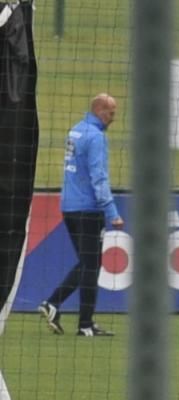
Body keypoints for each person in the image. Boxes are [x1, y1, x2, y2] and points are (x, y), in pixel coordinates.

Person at [38, 93, 123, 337]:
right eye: (111, 113)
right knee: (90, 264)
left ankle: (72, 316)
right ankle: (66, 312)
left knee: (89, 263)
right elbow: (99, 177)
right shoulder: (96, 138)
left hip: (69, 207)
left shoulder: (75, 130)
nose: (113, 118)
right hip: (89, 209)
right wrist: (112, 212)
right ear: (99, 110)